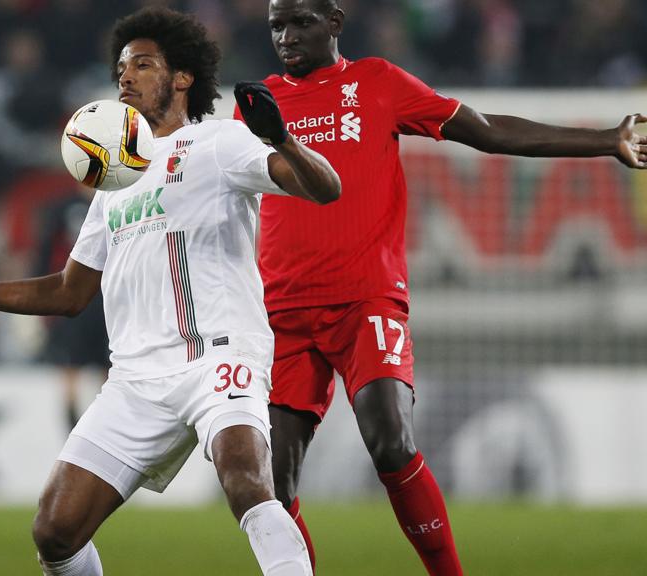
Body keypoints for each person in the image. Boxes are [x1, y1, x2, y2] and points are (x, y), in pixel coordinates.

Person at [0, 7, 341, 576]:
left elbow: (326, 189)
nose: (124, 76)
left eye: (142, 64)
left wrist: (282, 141)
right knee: (55, 532)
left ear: (183, 78)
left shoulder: (221, 143)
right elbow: (68, 292)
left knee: (245, 478)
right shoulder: (114, 176)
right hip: (136, 377)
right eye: (121, 66)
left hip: (219, 355)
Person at [238, 1, 647, 575]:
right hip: (280, 311)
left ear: (334, 21)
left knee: (392, 441)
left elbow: (485, 130)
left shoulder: (376, 81)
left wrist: (605, 140)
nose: (286, 36)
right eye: (276, 25)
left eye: (300, 21)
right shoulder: (254, 110)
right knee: (271, 488)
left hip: (365, 300)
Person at [33, 186, 111, 430]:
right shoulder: (63, 206)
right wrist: (44, 298)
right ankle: (73, 431)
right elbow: (44, 252)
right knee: (70, 367)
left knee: (110, 368)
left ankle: (106, 426)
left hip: (108, 298)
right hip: (74, 297)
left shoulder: (115, 198)